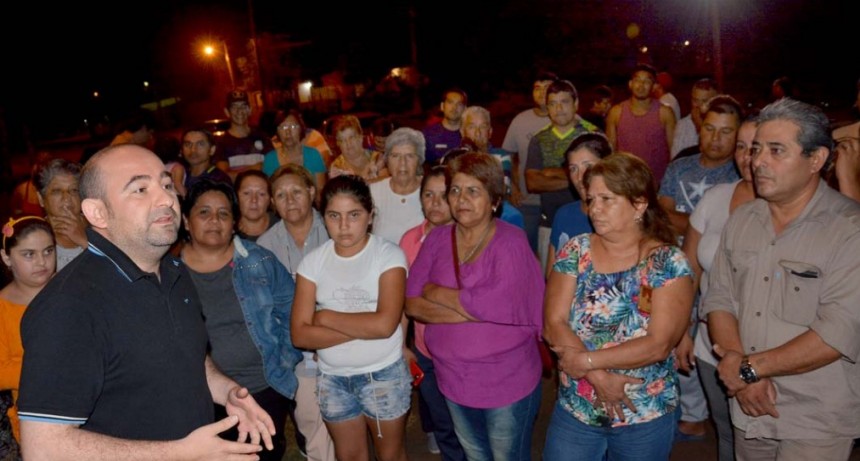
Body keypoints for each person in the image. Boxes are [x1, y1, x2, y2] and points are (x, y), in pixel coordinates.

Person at [17, 144, 276, 460]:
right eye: (140, 189)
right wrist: (180, 453)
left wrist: (226, 392)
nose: (167, 199)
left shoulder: (174, 271)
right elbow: (44, 449)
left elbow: (185, 356)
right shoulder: (69, 307)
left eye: (167, 185)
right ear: (97, 212)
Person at [703, 98, 860, 460]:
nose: (757, 161)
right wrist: (738, 367)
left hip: (816, 416)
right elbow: (720, 299)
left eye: (776, 151)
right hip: (748, 405)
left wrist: (747, 369)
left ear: (816, 160)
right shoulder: (742, 221)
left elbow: (837, 332)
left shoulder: (848, 231)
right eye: (757, 149)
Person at [542, 153, 694, 461]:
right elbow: (553, 323)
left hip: (643, 411)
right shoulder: (576, 250)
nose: (594, 209)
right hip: (578, 406)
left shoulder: (666, 262)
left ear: (639, 204)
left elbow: (658, 345)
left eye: (606, 199)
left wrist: (584, 361)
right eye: (591, 199)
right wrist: (597, 376)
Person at [406, 152, 544, 461]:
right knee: (475, 455)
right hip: (453, 380)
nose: (461, 199)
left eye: (473, 191)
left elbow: (502, 303)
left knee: (506, 456)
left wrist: (437, 292)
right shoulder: (438, 239)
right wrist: (480, 310)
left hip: (506, 382)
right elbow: (413, 303)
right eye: (455, 190)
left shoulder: (511, 242)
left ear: (495, 200)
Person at [180, 179, 303, 461]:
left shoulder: (259, 261)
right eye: (204, 213)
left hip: (264, 388)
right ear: (186, 221)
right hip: (200, 396)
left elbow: (293, 312)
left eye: (224, 214)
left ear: (234, 223)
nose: (215, 220)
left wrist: (284, 361)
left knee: (263, 455)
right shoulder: (169, 274)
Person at [291, 175, 411, 461]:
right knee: (350, 457)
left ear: (370, 216)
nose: (344, 226)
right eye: (334, 216)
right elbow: (300, 335)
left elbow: (385, 326)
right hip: (332, 379)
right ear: (323, 217)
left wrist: (325, 317)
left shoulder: (388, 255)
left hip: (382, 375)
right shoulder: (312, 263)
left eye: (354, 215)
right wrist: (366, 324)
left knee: (390, 455)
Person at [681, 117, 758, 461]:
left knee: (761, 439)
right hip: (710, 344)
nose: (747, 156)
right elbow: (690, 271)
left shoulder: (790, 206)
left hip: (767, 349)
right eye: (741, 146)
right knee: (727, 433)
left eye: (757, 147)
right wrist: (682, 331)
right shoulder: (716, 197)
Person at [257, 164, 335, 461]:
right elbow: (265, 309)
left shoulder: (334, 229)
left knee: (352, 424)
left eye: (297, 192)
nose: (289, 200)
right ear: (273, 202)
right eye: (281, 194)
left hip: (343, 341)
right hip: (297, 352)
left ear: (312, 192)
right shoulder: (265, 246)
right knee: (312, 425)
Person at [398, 166, 464, 461]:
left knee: (468, 425)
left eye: (443, 195)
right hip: (424, 350)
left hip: (462, 352)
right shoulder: (409, 240)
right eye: (428, 195)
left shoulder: (468, 238)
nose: (435, 203)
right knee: (443, 425)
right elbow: (402, 299)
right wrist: (403, 346)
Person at [526, 79, 600, 269]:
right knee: (552, 282)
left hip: (592, 222)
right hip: (549, 224)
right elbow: (533, 182)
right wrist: (576, 178)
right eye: (552, 103)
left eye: (564, 102)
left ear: (575, 104)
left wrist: (551, 174)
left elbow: (602, 177)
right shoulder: (539, 139)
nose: (558, 108)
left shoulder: (594, 135)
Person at [0, 216, 55, 460]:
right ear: (6, 257)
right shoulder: (2, 308)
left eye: (48, 251)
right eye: (29, 254)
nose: (42, 262)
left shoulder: (72, 293)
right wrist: (54, 364)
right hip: (34, 417)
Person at [658, 95, 743, 236]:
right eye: (709, 128)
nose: (715, 138)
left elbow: (723, 231)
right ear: (700, 129)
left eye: (726, 131)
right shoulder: (678, 167)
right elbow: (660, 220)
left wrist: (679, 220)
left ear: (739, 134)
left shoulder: (740, 176)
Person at [502, 71, 558, 252]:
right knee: (524, 250)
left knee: (554, 252)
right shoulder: (520, 120)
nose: (542, 93)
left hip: (558, 200)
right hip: (527, 202)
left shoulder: (565, 118)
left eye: (547, 88)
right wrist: (514, 188)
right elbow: (509, 156)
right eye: (537, 88)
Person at [546, 132, 612, 277]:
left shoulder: (619, 215)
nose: (579, 177)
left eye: (588, 166)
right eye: (573, 169)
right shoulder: (564, 215)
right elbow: (551, 276)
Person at [606, 63, 676, 184]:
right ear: (630, 84)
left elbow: (674, 150)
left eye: (647, 81)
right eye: (637, 80)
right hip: (625, 181)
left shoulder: (665, 113)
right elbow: (610, 152)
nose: (641, 85)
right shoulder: (616, 112)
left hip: (658, 183)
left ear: (654, 86)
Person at [370, 127, 425, 244]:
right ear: (387, 160)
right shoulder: (373, 192)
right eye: (395, 156)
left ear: (419, 160)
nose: (402, 163)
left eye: (409, 156)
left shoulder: (430, 191)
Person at [35, 159, 87, 271]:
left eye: (74, 190)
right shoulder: (35, 237)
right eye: (57, 191)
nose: (67, 198)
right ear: (41, 199)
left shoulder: (100, 226)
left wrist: (84, 241)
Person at [262, 109, 327, 196]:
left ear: (301, 129)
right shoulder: (270, 159)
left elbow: (320, 191)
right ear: (277, 132)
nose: (288, 132)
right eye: (283, 127)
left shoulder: (313, 155)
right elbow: (269, 193)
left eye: (293, 127)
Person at [216, 90, 273, 180]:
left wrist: (237, 173)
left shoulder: (263, 137)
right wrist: (254, 169)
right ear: (227, 112)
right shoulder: (222, 143)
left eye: (243, 106)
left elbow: (273, 167)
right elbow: (224, 177)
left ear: (249, 110)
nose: (239, 111)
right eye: (234, 107)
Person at [328, 115, 386, 182]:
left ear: (360, 137)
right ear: (338, 144)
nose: (348, 143)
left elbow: (386, 183)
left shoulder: (378, 158)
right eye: (343, 140)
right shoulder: (336, 167)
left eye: (351, 137)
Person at [672, 79, 719, 159]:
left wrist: (701, 127)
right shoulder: (682, 125)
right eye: (695, 100)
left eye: (705, 101)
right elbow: (675, 158)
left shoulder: (722, 125)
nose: (699, 106)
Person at [180, 128, 232, 196]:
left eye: (200, 144)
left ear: (212, 150)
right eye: (188, 144)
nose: (193, 150)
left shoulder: (219, 180)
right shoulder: (179, 176)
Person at [423, 88, 467, 165]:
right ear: (442, 106)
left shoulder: (470, 135)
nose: (454, 108)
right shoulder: (427, 135)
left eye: (459, 104)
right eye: (450, 102)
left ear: (465, 109)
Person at [235, 170, 277, 242]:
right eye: (246, 193)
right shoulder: (227, 231)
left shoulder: (282, 227)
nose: (254, 200)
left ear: (270, 199)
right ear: (236, 197)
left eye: (261, 194)